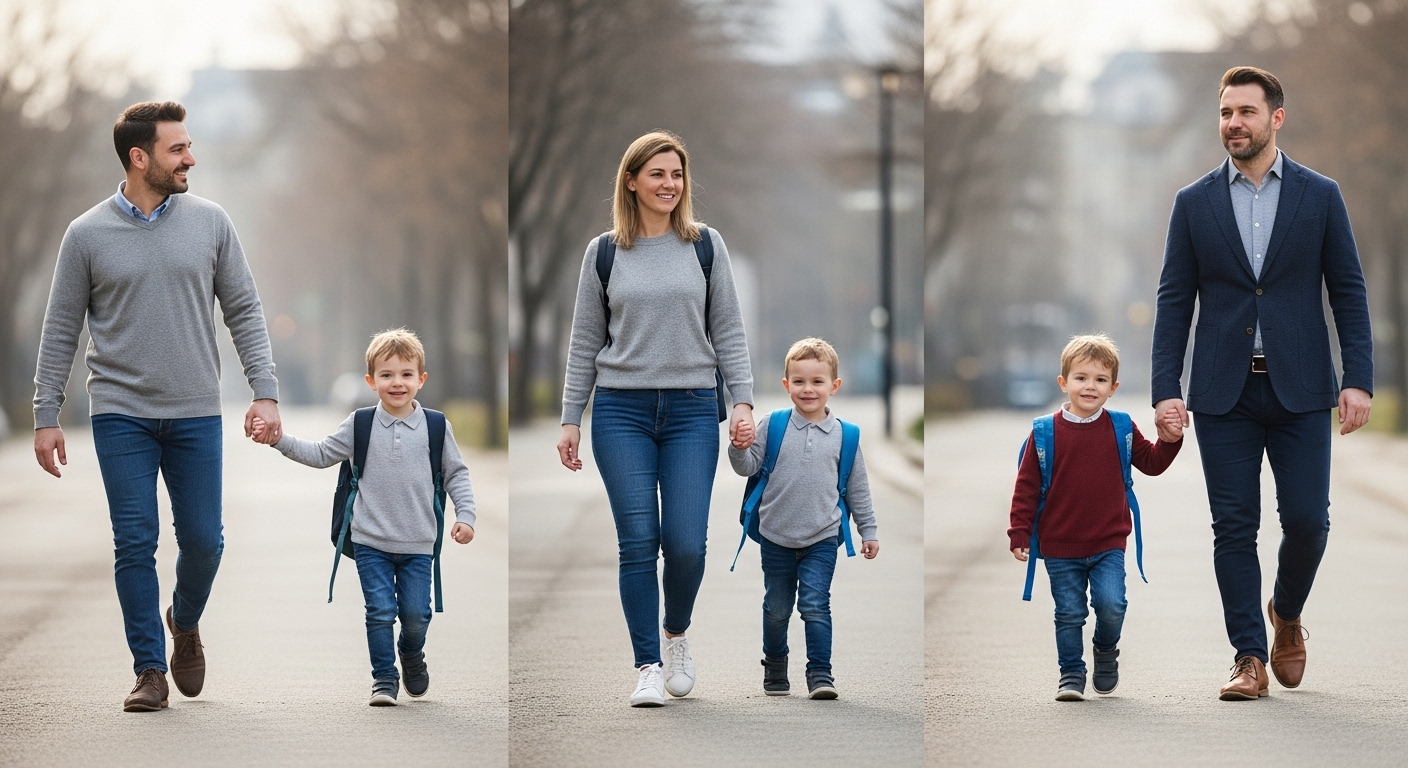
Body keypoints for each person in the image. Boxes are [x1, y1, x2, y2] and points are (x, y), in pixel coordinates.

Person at [32, 101, 283, 712]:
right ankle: (148, 670)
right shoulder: (85, 234)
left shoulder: (212, 222)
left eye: (189, 146)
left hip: (195, 409)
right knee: (134, 540)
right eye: (178, 149)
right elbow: (61, 327)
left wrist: (265, 390)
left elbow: (244, 309)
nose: (190, 157)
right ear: (138, 158)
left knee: (204, 541)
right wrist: (46, 414)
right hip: (119, 412)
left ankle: (185, 618)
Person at [1151, 66, 1373, 700]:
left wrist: (1357, 378)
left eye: (1246, 112)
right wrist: (1166, 388)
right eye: (1225, 113)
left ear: (1276, 118)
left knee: (1307, 521)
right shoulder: (1193, 203)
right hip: (1223, 392)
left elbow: (1349, 291)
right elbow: (1174, 301)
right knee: (1233, 525)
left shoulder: (1320, 195)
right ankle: (1248, 656)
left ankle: (1288, 612)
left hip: (1301, 387)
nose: (1233, 124)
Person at [556, 131, 756, 707]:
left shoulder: (705, 246)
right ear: (632, 181)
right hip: (621, 411)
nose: (669, 185)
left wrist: (741, 399)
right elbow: (584, 342)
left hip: (694, 408)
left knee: (687, 543)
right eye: (657, 174)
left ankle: (677, 635)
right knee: (639, 541)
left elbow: (730, 332)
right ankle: (647, 663)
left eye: (677, 175)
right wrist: (571, 417)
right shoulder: (604, 253)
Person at [252, 328, 475, 706]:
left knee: (417, 615)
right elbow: (321, 453)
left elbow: (456, 473)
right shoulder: (360, 424)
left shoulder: (437, 427)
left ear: (421, 379)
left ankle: (410, 653)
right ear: (371, 381)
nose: (397, 382)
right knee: (380, 610)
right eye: (386, 375)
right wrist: (278, 440)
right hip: (370, 539)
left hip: (419, 542)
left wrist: (466, 515)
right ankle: (384, 680)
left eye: (406, 374)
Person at [1009, 334, 1183, 701]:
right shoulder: (1044, 431)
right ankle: (1071, 674)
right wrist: (1019, 532)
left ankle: (1105, 649)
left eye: (1100, 380)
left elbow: (1151, 463)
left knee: (1112, 604)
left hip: (1108, 543)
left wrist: (1170, 439)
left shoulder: (1120, 427)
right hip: (1059, 546)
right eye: (1081, 377)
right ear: (1064, 382)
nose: (1090, 386)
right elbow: (1026, 487)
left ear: (1113, 388)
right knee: (1069, 614)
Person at [727, 337, 878, 700]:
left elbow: (858, 488)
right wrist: (738, 446)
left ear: (834, 386)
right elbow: (747, 468)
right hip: (776, 536)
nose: (808, 389)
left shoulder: (846, 436)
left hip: (822, 538)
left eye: (817, 381)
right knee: (776, 609)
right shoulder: (772, 425)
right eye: (799, 381)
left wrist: (867, 530)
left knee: (815, 604)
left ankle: (820, 674)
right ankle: (776, 665)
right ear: (786, 385)